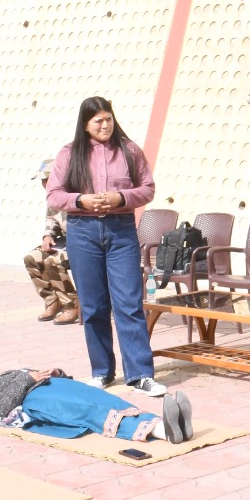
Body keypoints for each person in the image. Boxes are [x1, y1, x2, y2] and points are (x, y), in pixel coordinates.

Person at [45, 96, 165, 397]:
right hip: (82, 233)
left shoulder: (129, 150)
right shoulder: (69, 154)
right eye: (97, 120)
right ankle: (102, 371)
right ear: (85, 124)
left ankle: (140, 375)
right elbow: (54, 195)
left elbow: (148, 188)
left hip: (120, 231)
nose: (105, 125)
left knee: (129, 303)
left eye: (108, 118)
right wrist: (81, 200)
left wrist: (120, 198)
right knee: (93, 306)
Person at [0, 367, 195, 443]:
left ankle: (172, 425)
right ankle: (162, 431)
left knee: (111, 402)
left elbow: (30, 379)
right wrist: (28, 378)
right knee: (93, 413)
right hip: (38, 399)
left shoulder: (7, 374)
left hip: (55, 387)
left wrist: (56, 373)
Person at [24, 159, 79, 324]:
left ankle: (72, 305)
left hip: (82, 244)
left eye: (47, 179)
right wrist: (47, 236)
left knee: (53, 262)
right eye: (42, 180)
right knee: (31, 258)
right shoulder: (53, 197)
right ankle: (53, 301)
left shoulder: (76, 194)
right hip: (65, 242)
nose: (44, 183)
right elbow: (52, 219)